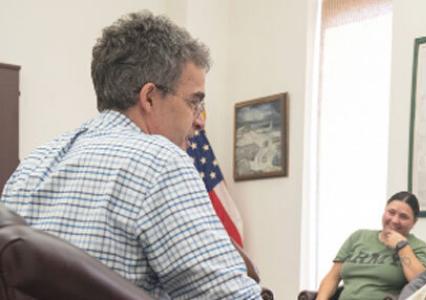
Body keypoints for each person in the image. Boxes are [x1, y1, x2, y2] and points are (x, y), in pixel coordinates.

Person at [0, 11, 260, 299]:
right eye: (194, 103)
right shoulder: (161, 162)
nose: (200, 121)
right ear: (149, 97)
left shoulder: (32, 167)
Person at [315, 192, 426, 300]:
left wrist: (402, 246)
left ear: (414, 222)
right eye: (391, 212)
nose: (395, 220)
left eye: (403, 217)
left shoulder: (419, 248)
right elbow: (332, 277)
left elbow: (422, 285)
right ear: (384, 211)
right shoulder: (359, 237)